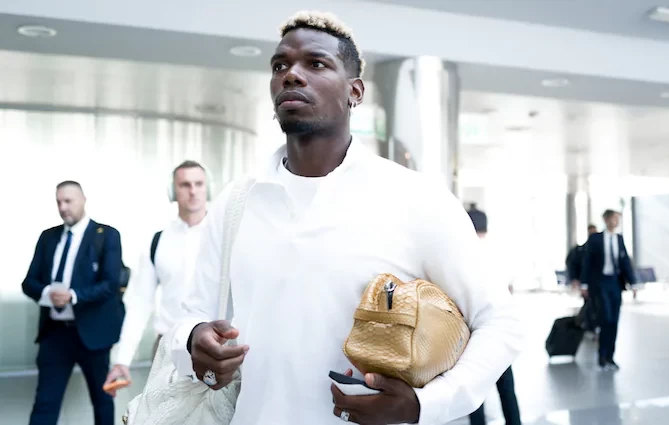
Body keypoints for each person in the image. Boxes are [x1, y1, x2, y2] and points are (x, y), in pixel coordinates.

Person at [169, 11, 524, 425]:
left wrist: (424, 405)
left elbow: (499, 320)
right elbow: (189, 315)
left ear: (354, 91)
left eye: (316, 64)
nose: (291, 75)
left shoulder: (415, 198)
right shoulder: (237, 202)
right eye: (280, 66)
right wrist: (193, 340)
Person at [103, 160, 210, 395]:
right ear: (173, 191)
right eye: (185, 185)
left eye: (198, 184)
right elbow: (139, 303)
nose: (193, 191)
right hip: (169, 348)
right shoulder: (158, 241)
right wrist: (122, 360)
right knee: (165, 412)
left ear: (207, 188)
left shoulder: (223, 236)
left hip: (215, 347)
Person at [22, 180, 124, 425]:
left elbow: (111, 284)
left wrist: (74, 296)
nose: (63, 207)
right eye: (58, 202)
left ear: (83, 200)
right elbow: (29, 282)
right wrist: (48, 292)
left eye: (68, 201)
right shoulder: (48, 237)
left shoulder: (107, 235)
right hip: (55, 334)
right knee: (45, 403)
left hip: (93, 334)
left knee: (102, 400)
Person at [466, 206, 522, 425]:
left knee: (474, 389)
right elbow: (509, 289)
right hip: (498, 330)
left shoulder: (464, 254)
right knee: (506, 387)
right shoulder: (497, 252)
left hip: (472, 331)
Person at [580, 210, 636, 371]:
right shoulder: (595, 239)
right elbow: (587, 262)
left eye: (618, 219)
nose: (616, 221)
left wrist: (633, 283)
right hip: (600, 283)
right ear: (606, 219)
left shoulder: (619, 239)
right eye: (614, 218)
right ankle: (602, 356)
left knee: (614, 321)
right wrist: (584, 284)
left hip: (615, 283)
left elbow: (625, 263)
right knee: (606, 318)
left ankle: (611, 357)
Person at [567, 224, 599, 333]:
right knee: (589, 304)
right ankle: (589, 326)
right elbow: (572, 264)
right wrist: (575, 279)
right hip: (586, 282)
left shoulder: (600, 248)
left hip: (598, 282)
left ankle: (594, 326)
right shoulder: (580, 250)